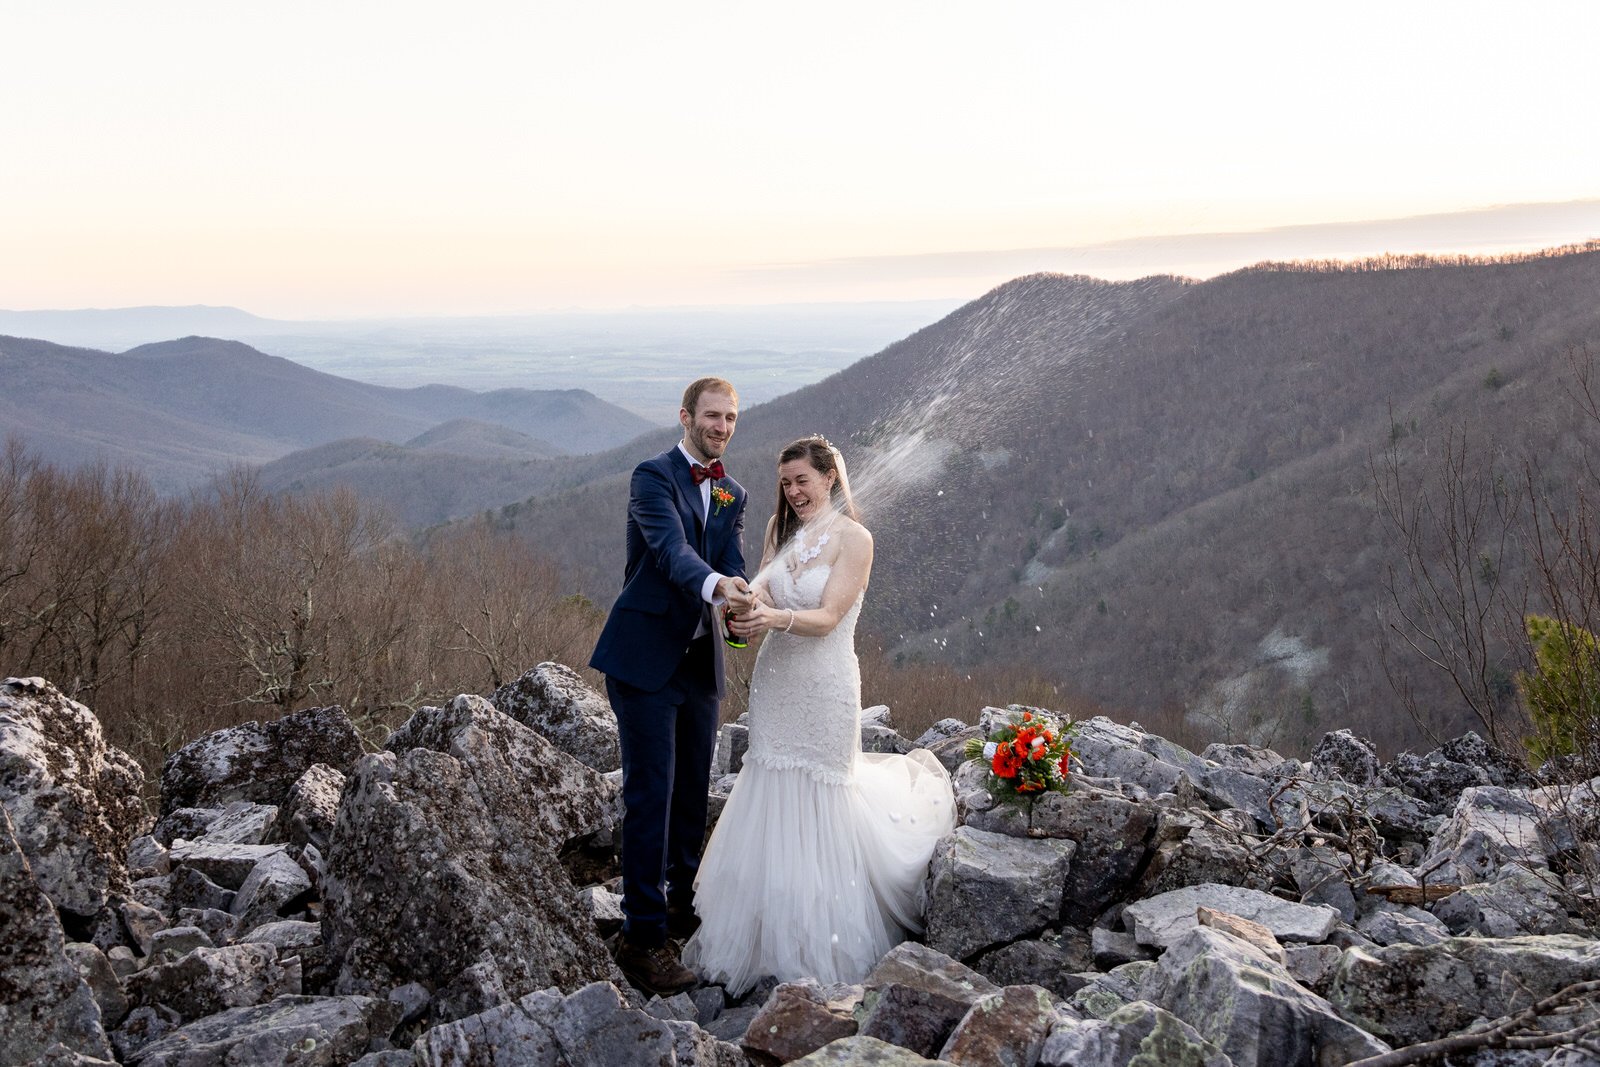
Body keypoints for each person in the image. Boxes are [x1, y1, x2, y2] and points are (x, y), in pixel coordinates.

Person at [683, 436, 955, 994]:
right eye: (786, 483)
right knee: (771, 784)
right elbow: (756, 592)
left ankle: (819, 947)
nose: (793, 492)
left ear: (829, 477)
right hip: (776, 685)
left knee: (823, 796)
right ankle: (763, 935)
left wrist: (773, 618)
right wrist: (739, 617)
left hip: (825, 686)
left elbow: (829, 617)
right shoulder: (779, 532)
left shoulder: (856, 540)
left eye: (801, 480)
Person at [590, 377, 753, 995]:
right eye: (713, 415)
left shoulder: (733, 491)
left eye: (731, 418)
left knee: (691, 795)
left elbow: (730, 561)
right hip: (643, 662)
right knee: (650, 797)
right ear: (686, 416)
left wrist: (742, 606)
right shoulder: (650, 476)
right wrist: (717, 587)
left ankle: (683, 910)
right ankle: (642, 937)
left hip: (697, 664)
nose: (722, 426)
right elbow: (669, 552)